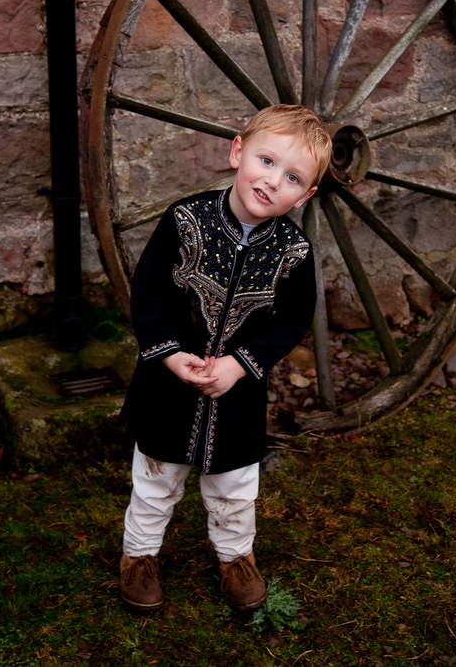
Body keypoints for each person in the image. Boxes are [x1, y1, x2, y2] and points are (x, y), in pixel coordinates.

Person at [118, 104, 333, 612]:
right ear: (238, 151)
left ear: (306, 195)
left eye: (292, 178)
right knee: (155, 477)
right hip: (170, 383)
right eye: (266, 160)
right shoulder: (184, 220)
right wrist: (170, 355)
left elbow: (291, 321)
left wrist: (240, 365)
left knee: (235, 486)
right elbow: (148, 292)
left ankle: (236, 557)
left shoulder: (294, 252)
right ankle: (139, 555)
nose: (272, 181)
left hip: (237, 393)